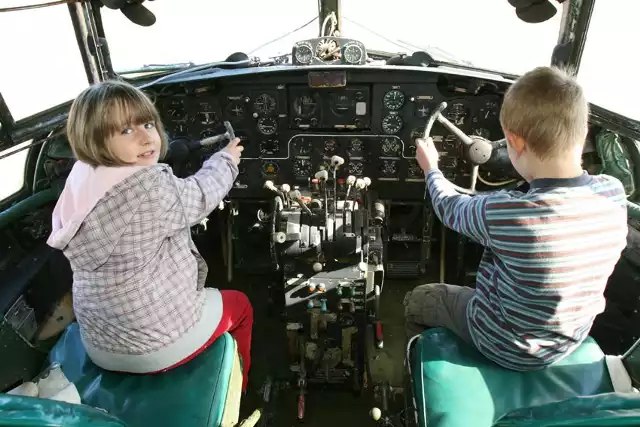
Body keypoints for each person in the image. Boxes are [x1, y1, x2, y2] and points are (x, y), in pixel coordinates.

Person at [405, 66, 628, 371]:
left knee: (420, 300)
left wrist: (431, 169)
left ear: (516, 142)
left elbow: (448, 206)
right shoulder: (612, 194)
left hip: (504, 344)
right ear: (584, 131)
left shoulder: (509, 213)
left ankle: (419, 368)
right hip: (567, 340)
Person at [46, 80, 253, 390]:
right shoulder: (149, 186)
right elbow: (201, 195)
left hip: (99, 342)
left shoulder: (81, 176)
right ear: (95, 138)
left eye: (147, 123)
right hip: (153, 346)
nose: (146, 138)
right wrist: (227, 159)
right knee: (241, 305)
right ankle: (240, 390)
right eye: (126, 131)